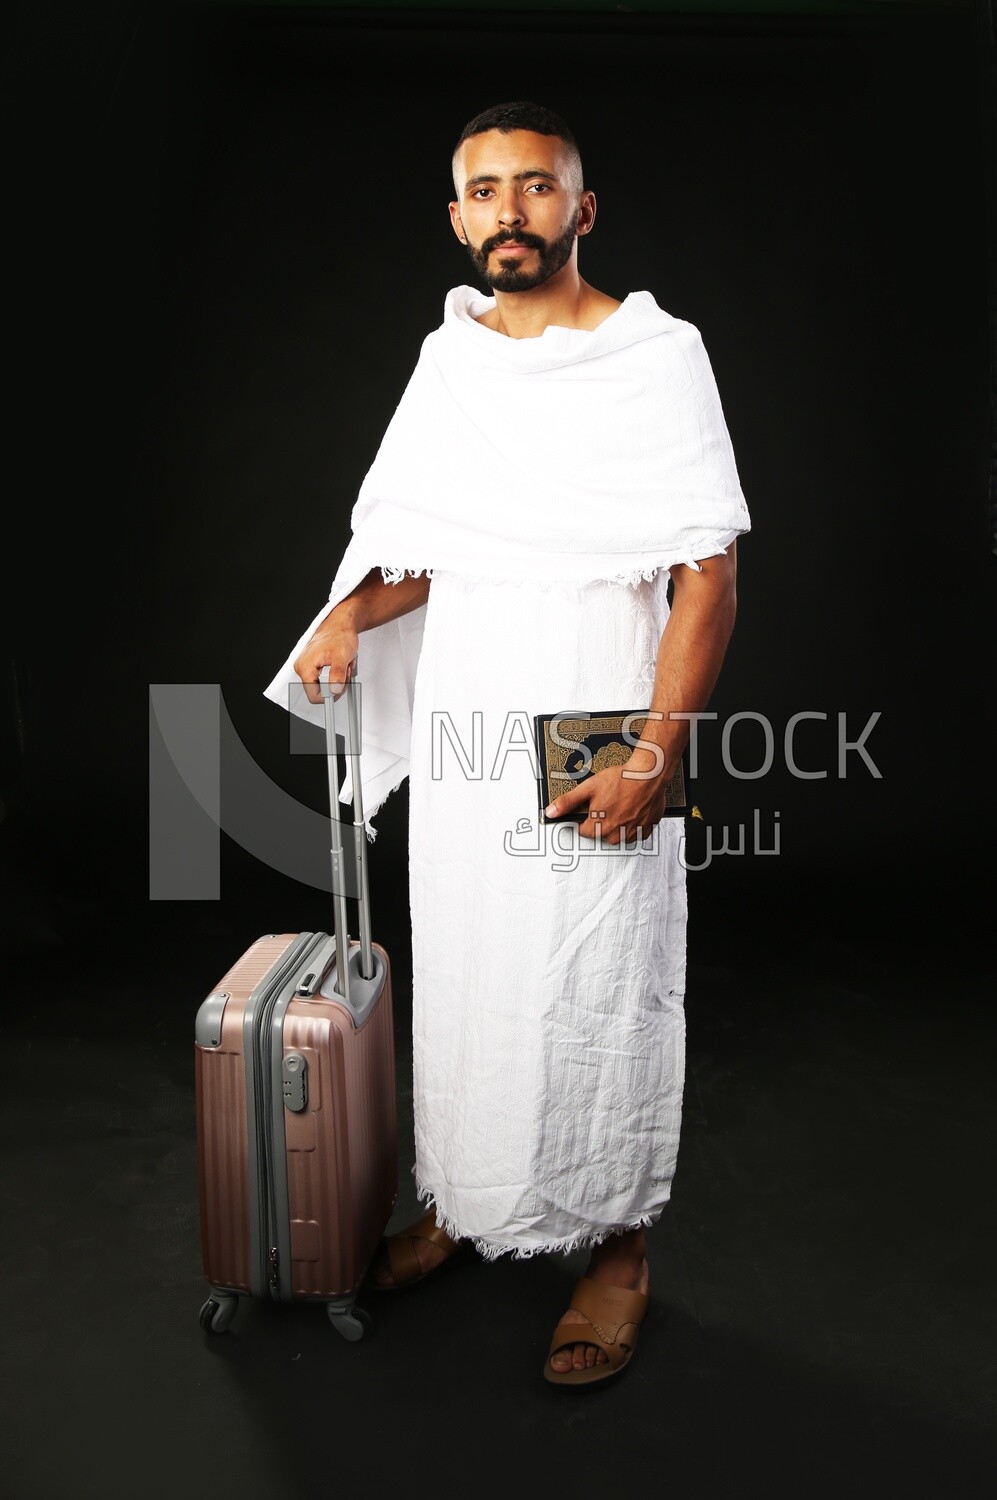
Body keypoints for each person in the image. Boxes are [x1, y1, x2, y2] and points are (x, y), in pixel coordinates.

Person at [264, 100, 750, 1386]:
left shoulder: (656, 356)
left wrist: (651, 751)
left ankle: (617, 1251)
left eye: (537, 188)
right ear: (457, 217)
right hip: (471, 699)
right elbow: (440, 552)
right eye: (485, 191)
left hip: (597, 701)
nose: (510, 211)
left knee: (599, 973)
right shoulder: (456, 360)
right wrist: (348, 612)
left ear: (581, 210)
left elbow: (705, 575)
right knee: (477, 960)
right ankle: (470, 1202)